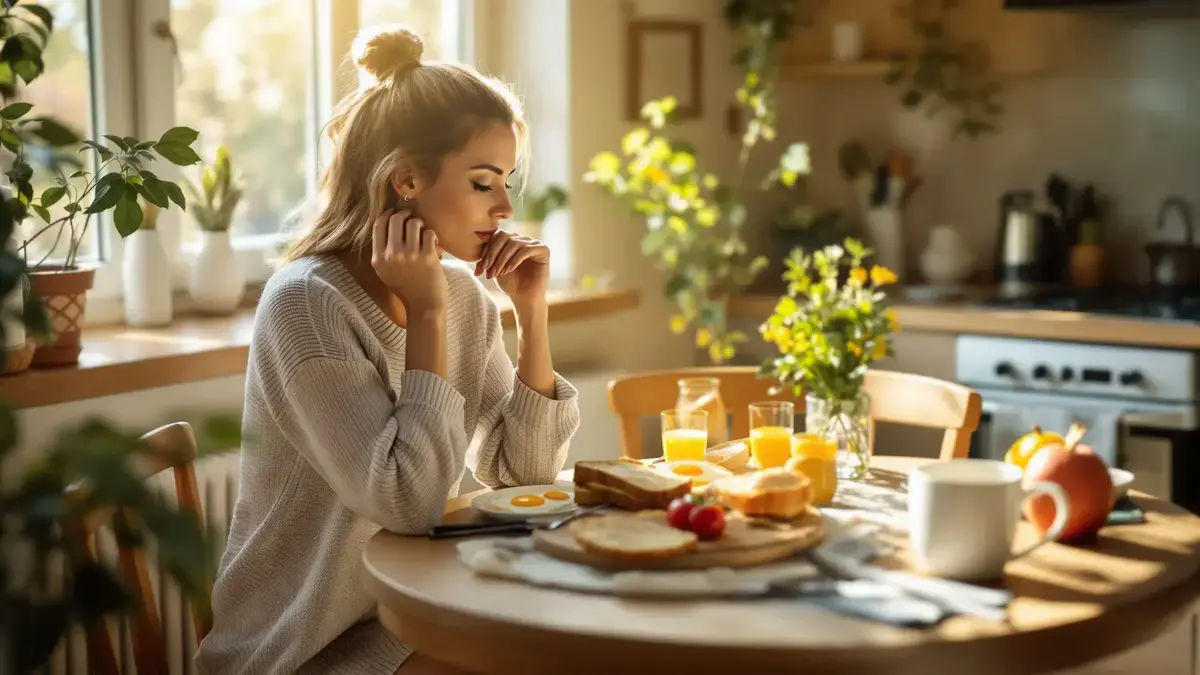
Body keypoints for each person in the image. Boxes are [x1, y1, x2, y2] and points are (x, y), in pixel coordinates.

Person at [195, 24, 581, 675]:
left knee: (558, 642)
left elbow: (525, 477)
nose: (506, 205)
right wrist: (426, 312)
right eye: (484, 182)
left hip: (408, 614)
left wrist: (531, 314)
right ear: (406, 179)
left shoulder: (460, 295)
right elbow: (410, 503)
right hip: (303, 648)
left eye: (507, 181)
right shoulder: (307, 306)